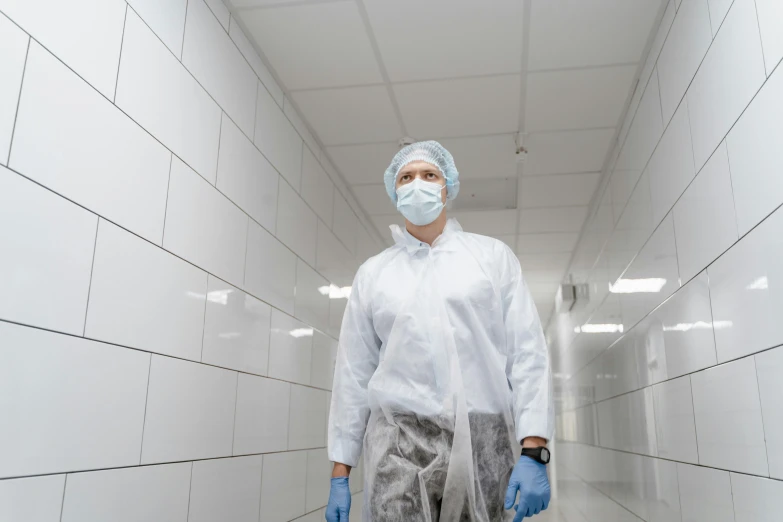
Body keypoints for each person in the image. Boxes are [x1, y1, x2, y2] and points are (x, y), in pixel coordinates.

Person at [325, 141, 554, 522]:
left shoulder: (491, 259)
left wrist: (534, 449)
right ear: (394, 190)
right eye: (406, 177)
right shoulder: (374, 274)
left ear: (446, 187)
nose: (418, 183)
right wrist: (340, 471)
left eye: (429, 175)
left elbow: (527, 353)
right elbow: (352, 373)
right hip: (398, 440)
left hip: (482, 436)